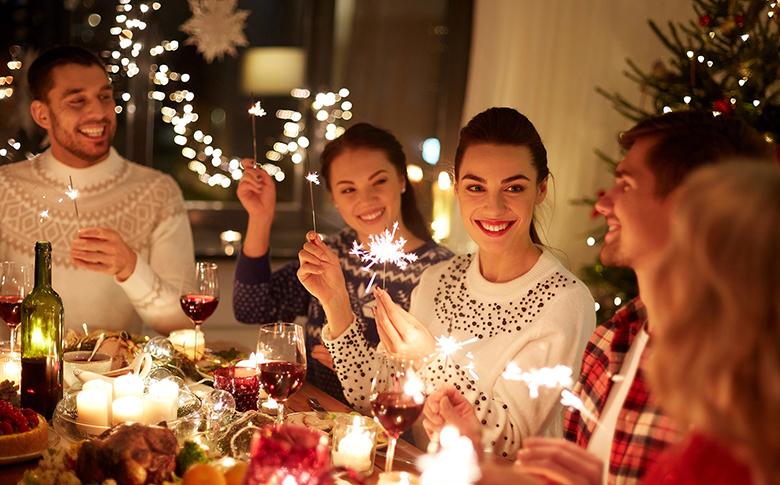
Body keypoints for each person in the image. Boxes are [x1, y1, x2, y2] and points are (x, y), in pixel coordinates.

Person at [426, 110, 774, 485]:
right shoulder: (613, 341)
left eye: (625, 184)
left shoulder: (741, 384)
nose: (604, 202)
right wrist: (477, 451)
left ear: (691, 205)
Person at [302, 107, 596, 457]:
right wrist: (336, 304)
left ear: (542, 189)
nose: (494, 206)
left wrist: (429, 359)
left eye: (514, 187)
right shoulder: (440, 277)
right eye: (476, 186)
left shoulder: (564, 300)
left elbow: (509, 445)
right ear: (457, 188)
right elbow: (375, 396)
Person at [232, 122, 452, 401]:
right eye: (348, 189)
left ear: (402, 180)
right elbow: (252, 308)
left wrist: (355, 365)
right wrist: (260, 217)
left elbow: (441, 379)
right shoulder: (329, 253)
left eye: (379, 181)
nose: (367, 199)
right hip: (315, 417)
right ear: (334, 198)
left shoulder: (441, 271)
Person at [0, 46, 194, 334]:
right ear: (42, 114)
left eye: (104, 97)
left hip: (120, 377)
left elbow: (183, 323)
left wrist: (130, 268)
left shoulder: (157, 192)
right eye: (77, 101)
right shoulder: (5, 188)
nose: (98, 112)